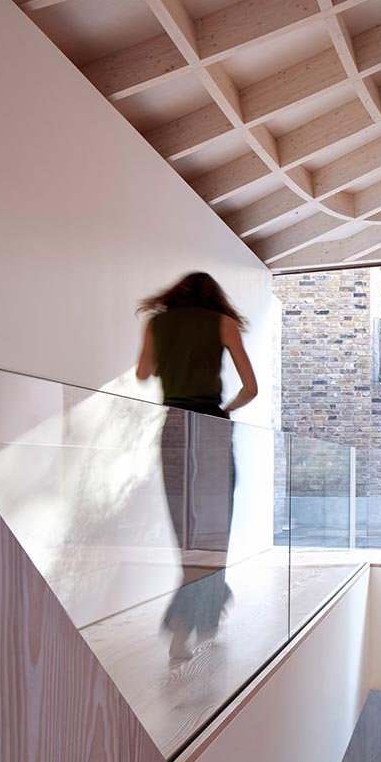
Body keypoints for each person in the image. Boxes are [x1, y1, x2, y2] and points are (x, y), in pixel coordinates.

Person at [136, 272, 258, 660]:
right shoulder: (222, 323)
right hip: (210, 428)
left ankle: (200, 618)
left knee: (187, 535)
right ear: (214, 297)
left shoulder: (158, 323)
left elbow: (143, 372)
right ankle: (192, 620)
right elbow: (250, 388)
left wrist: (171, 361)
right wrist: (227, 409)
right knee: (214, 533)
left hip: (173, 428)